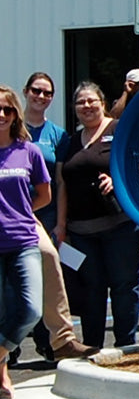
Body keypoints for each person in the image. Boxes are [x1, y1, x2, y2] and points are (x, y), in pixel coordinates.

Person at [55, 82, 139, 349]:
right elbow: (61, 184)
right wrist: (61, 225)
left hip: (121, 226)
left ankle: (125, 346)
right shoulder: (69, 141)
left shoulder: (118, 130)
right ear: (74, 108)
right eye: (80, 102)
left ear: (102, 103)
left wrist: (117, 180)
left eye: (91, 100)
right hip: (82, 232)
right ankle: (92, 347)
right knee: (91, 290)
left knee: (123, 287)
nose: (87, 106)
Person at [20, 72, 95, 362]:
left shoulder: (57, 135)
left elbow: (58, 184)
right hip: (11, 215)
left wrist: (60, 223)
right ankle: (10, 350)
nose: (41, 97)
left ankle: (56, 341)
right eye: (36, 91)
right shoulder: (12, 132)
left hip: (41, 216)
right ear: (26, 92)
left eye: (47, 93)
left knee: (48, 269)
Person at [0, 86, 49, 399]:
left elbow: (45, 195)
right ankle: (3, 376)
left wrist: (19, 212)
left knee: (31, 309)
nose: (1, 115)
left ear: (15, 114)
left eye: (7, 109)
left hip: (23, 240)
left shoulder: (28, 151)